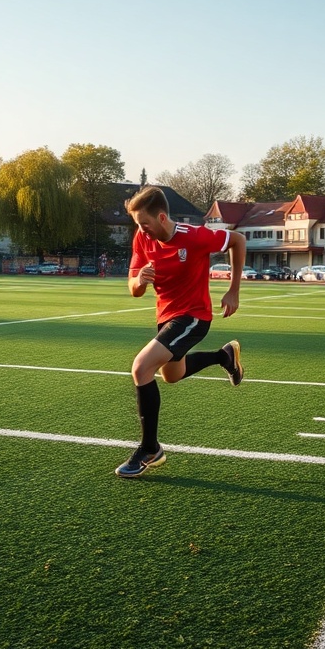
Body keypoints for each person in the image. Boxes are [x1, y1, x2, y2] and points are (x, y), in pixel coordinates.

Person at [115, 185, 247, 478]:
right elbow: (134, 289)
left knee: (141, 367)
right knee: (172, 375)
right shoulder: (142, 237)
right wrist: (139, 280)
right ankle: (223, 357)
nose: (141, 230)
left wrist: (234, 290)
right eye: (138, 225)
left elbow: (238, 240)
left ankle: (150, 449)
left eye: (145, 224)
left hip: (194, 316)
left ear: (162, 217)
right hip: (166, 317)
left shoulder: (195, 236)